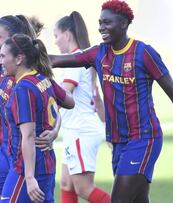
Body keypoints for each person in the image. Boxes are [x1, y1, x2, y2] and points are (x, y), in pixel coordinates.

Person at [49, 0, 173, 202]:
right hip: (118, 141)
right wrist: (28, 50)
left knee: (119, 200)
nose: (101, 27)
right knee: (138, 199)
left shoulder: (143, 53)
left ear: (123, 24)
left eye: (107, 23)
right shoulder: (99, 53)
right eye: (100, 22)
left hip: (144, 138)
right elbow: (55, 60)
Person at [0, 15, 73, 203]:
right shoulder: (2, 69)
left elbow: (65, 103)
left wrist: (54, 130)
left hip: (25, 157)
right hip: (10, 152)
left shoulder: (26, 83)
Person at [54, 11, 110, 203]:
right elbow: (97, 99)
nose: (55, 42)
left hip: (80, 131)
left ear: (67, 35)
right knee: (66, 185)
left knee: (83, 189)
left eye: (56, 36)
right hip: (76, 130)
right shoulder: (81, 58)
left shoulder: (75, 60)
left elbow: (63, 94)